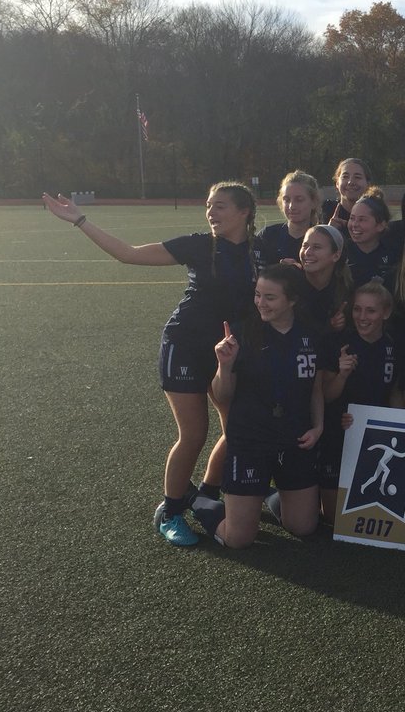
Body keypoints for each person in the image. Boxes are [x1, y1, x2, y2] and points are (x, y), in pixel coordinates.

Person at [41, 183, 258, 547]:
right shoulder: (198, 244)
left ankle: (206, 492)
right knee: (193, 434)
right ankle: (170, 511)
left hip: (229, 351)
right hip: (185, 345)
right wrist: (79, 219)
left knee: (237, 429)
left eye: (220, 206)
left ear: (244, 212)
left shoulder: (261, 250)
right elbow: (128, 254)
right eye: (208, 205)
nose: (211, 212)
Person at [195, 264, 323, 548]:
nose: (260, 303)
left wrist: (319, 425)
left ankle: (268, 494)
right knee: (238, 539)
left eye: (270, 297)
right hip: (251, 441)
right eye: (257, 295)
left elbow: (315, 386)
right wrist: (224, 367)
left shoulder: (311, 334)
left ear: (293, 300)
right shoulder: (242, 334)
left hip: (294, 440)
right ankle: (200, 502)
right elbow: (222, 395)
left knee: (303, 526)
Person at [315, 281, 405, 524]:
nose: (362, 317)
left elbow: (394, 391)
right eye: (357, 309)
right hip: (337, 432)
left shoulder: (393, 345)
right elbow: (326, 396)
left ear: (385, 313)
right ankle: (284, 499)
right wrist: (342, 374)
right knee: (334, 518)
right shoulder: (340, 343)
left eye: (371, 310)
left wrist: (400, 424)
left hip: (375, 437)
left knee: (371, 511)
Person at [254, 170, 321, 271]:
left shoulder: (323, 239)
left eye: (299, 199)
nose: (292, 206)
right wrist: (278, 270)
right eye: (286, 200)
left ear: (313, 202)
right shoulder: (267, 236)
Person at [297, 224, 351, 334]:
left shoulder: (347, 288)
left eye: (316, 247)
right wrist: (329, 326)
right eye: (305, 245)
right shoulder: (290, 284)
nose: (307, 252)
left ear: (336, 256)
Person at [345, 191, 395, 288]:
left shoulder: (393, 255)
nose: (354, 224)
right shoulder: (341, 252)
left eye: (362, 219)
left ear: (381, 225)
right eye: (352, 218)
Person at [321, 158, 372, 234]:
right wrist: (329, 231)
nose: (350, 182)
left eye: (357, 177)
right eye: (345, 176)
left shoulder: (374, 215)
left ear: (368, 184)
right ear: (337, 183)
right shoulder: (323, 212)